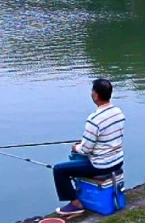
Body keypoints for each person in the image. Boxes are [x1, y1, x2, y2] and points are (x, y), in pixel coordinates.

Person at [53, 78, 125, 216]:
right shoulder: (119, 113)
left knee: (59, 170)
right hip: (117, 161)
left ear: (96, 95)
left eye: (92, 91)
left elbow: (85, 150)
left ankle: (75, 204)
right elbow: (108, 137)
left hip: (100, 165)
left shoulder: (94, 119)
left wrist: (76, 148)